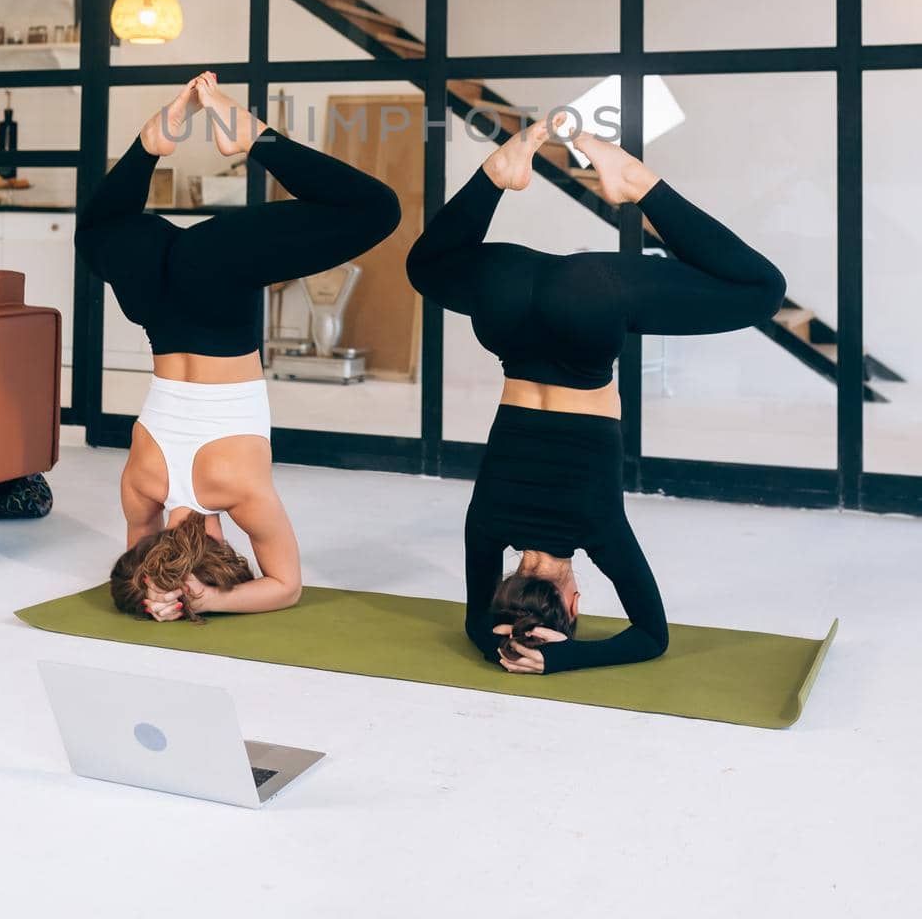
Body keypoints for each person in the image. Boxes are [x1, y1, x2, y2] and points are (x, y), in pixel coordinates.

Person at [406, 117, 786, 675]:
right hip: (505, 298)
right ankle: (495, 175)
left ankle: (638, 185)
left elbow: (650, 637)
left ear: (575, 601)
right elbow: (474, 626)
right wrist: (503, 643)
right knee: (425, 268)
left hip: (590, 304)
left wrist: (560, 660)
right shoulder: (487, 526)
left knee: (761, 291)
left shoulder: (598, 530)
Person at [75, 73, 401, 622]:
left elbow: (286, 587)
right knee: (96, 232)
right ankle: (151, 144)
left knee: (375, 209)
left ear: (222, 546)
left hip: (213, 281)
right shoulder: (142, 487)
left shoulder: (238, 490)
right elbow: (139, 553)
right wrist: (159, 591)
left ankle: (249, 136)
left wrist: (213, 599)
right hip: (152, 296)